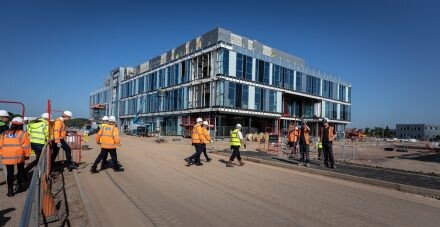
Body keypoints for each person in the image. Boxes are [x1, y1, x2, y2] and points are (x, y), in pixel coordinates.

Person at [0, 117, 31, 197]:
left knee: (10, 173)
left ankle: (10, 191)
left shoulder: (4, 133)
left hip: (6, 155)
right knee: (20, 171)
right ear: (21, 125)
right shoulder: (22, 134)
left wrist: (2, 153)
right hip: (19, 156)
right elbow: (26, 146)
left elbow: (1, 145)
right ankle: (19, 186)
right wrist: (27, 155)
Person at [0, 110, 10, 180]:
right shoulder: (4, 126)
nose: (7, 119)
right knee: (6, 165)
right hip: (2, 147)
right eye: (7, 117)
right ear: (2, 117)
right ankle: (8, 180)